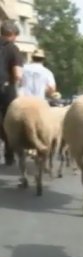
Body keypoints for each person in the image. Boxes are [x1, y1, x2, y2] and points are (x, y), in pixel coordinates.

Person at [0, 20, 23, 166]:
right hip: (5, 89)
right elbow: (18, 73)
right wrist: (15, 82)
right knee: (9, 122)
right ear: (12, 35)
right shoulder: (13, 48)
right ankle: (9, 154)